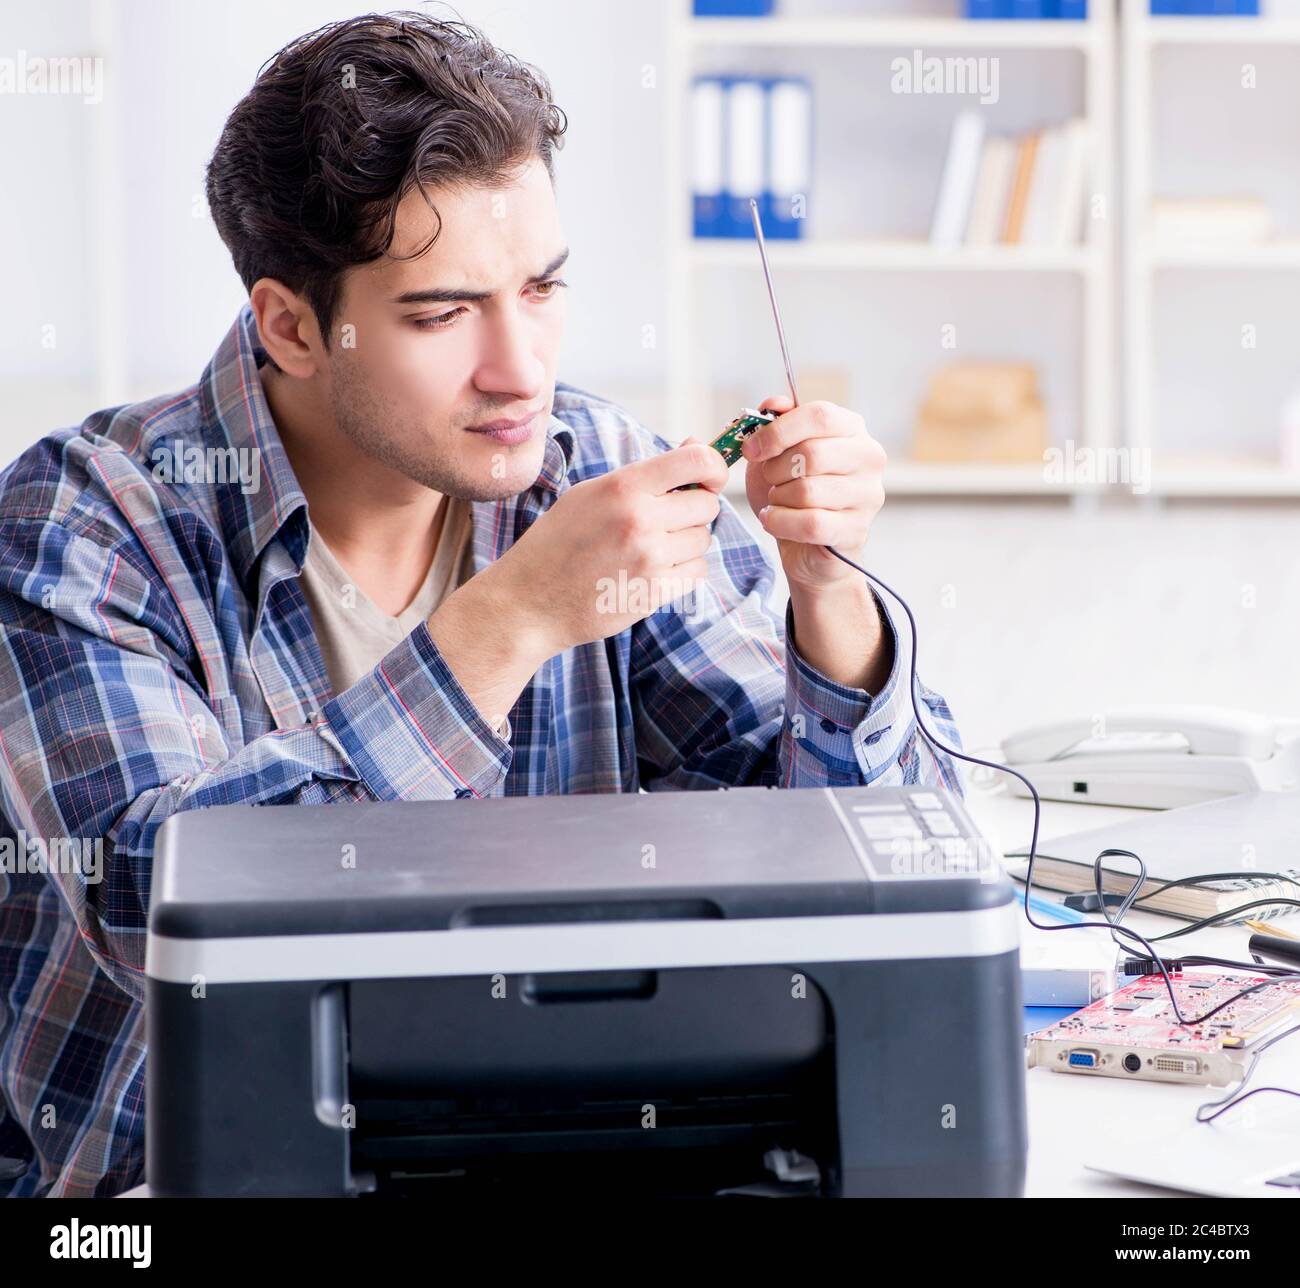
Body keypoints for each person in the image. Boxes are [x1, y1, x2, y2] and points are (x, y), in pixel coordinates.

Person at [0, 11, 961, 1197]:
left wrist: (827, 595)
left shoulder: (590, 462)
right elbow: (155, 902)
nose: (521, 370)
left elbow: (889, 882)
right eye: (443, 314)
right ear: (292, 326)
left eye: (543, 288)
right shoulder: (86, 518)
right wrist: (508, 621)